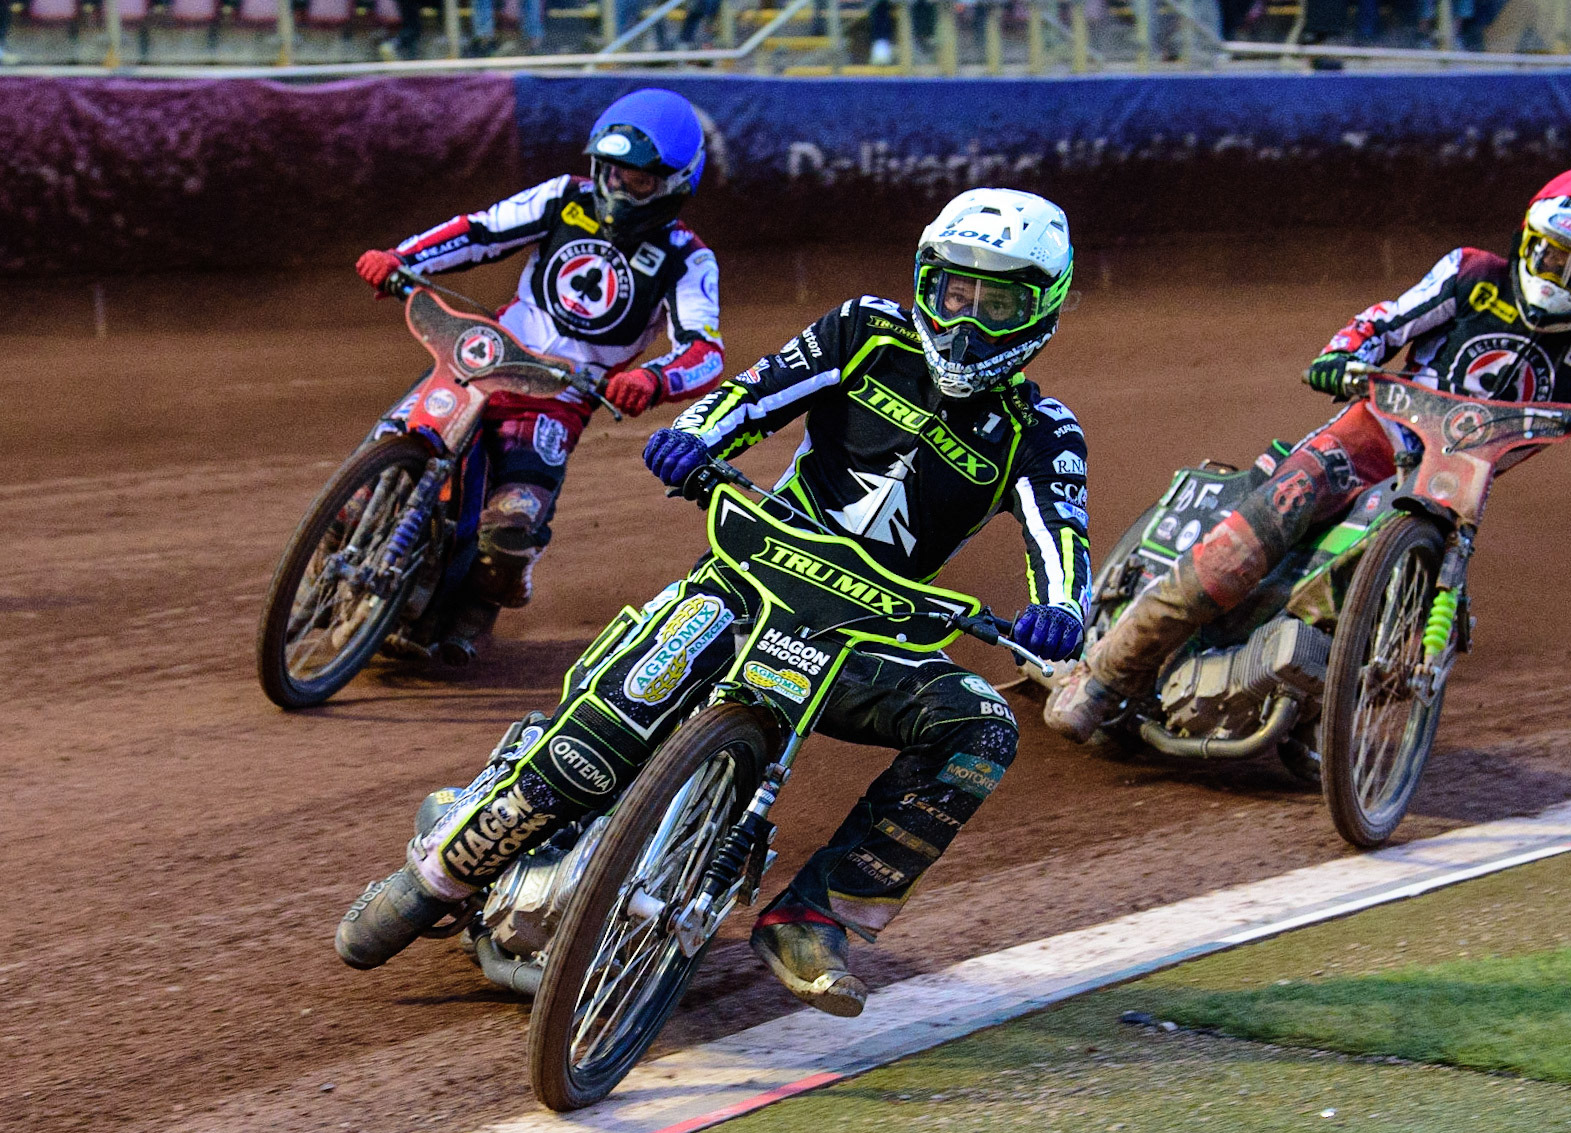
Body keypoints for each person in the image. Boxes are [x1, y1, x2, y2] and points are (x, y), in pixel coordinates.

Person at [335, 188, 1091, 1018]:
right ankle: (438, 872)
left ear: (1041, 309)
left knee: (983, 726)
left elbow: (1064, 541)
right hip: (752, 577)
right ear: (927, 283)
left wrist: (1058, 610)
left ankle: (814, 917)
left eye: (999, 303)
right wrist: (698, 438)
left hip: (871, 637)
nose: (969, 321)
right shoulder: (867, 331)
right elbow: (757, 390)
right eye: (956, 293)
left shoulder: (1043, 430)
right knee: (603, 728)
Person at [1044, 165, 1571, 743]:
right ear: (1527, 239)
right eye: (1549, 256)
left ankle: (1322, 698)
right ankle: (1103, 677)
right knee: (1251, 537)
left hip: (1452, 480)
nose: (1557, 276)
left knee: (1389, 579)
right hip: (1368, 438)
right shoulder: (1473, 276)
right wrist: (1344, 355)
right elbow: (1388, 318)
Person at [354, 88, 725, 650]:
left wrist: (651, 379)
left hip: (561, 396)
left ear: (674, 184)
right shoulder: (562, 198)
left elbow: (705, 350)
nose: (617, 189)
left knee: (509, 530)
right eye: (610, 171)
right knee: (371, 470)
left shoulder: (687, 258)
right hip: (483, 357)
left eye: (638, 180)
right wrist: (404, 259)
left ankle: (479, 604)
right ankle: (329, 570)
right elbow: (479, 232)